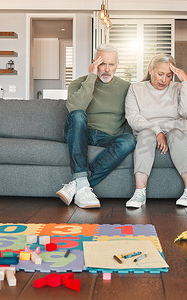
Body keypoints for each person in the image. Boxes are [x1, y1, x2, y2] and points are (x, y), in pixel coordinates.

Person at [56, 44, 135, 209]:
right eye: (101, 63)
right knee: (78, 115)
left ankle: (79, 184)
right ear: (94, 63)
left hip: (108, 136)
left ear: (117, 65)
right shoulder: (78, 83)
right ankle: (82, 186)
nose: (106, 69)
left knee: (128, 140)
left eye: (111, 64)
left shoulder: (127, 88)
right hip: (81, 132)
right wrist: (91, 77)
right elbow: (75, 108)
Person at [124, 53, 187, 208]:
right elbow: (132, 117)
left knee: (176, 134)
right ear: (151, 70)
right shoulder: (136, 88)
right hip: (148, 135)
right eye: (160, 74)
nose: (164, 80)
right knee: (145, 134)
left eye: (169, 76)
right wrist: (157, 131)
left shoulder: (178, 87)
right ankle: (139, 193)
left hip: (177, 134)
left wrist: (185, 80)